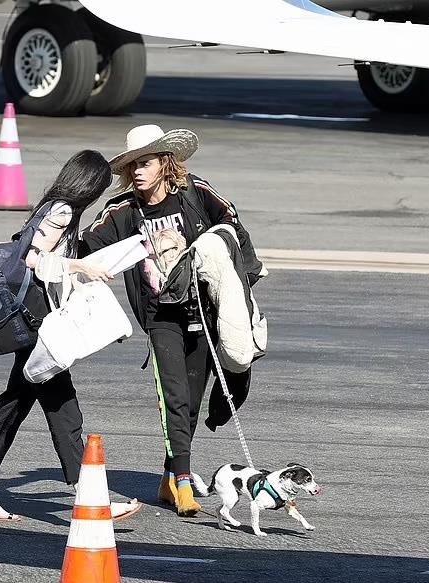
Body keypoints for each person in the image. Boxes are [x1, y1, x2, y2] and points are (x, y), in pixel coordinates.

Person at [81, 125, 262, 517]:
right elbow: (85, 246)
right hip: (160, 316)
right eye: (132, 166)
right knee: (174, 398)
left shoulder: (196, 193)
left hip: (203, 312)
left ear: (165, 162)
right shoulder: (124, 211)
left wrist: (245, 282)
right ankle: (183, 480)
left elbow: (234, 229)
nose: (138, 172)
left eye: (144, 163)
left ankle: (167, 475)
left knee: (192, 403)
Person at [0, 150, 139, 521]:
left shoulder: (52, 207)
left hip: (36, 322)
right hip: (40, 325)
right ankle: (91, 497)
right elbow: (28, 257)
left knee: (15, 403)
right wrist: (79, 265)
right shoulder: (61, 210)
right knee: (64, 409)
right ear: (89, 186)